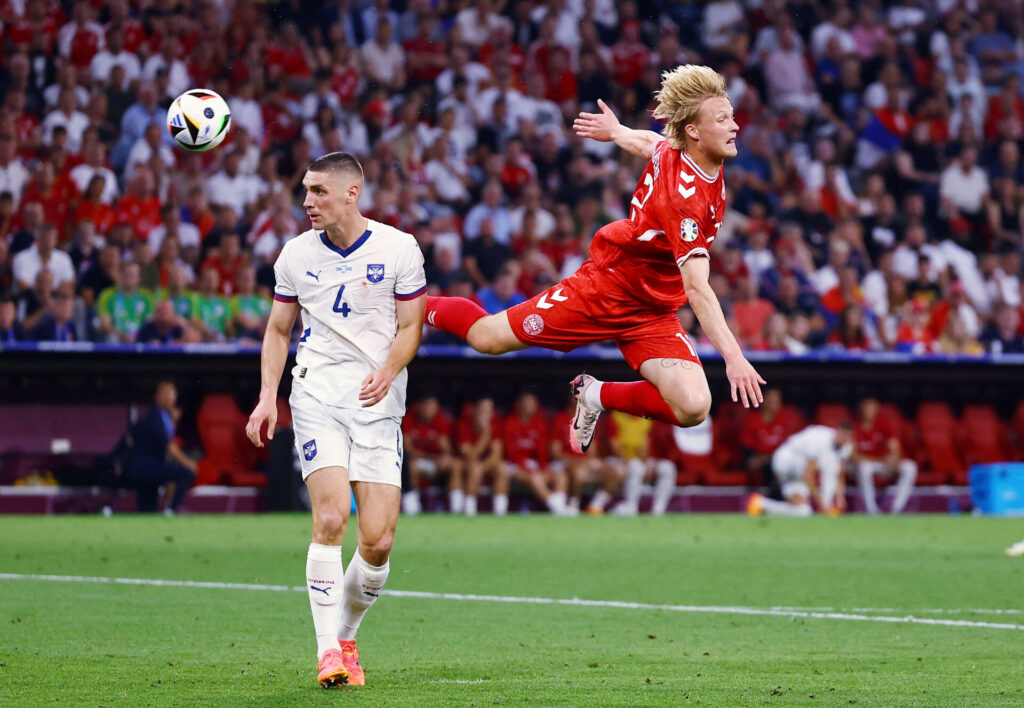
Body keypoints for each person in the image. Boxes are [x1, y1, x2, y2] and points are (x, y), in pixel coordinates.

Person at [424, 65, 765, 457]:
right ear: (694, 132)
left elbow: (651, 143)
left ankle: (595, 394)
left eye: (733, 116)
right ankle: (408, 302)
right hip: (605, 288)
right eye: (723, 119)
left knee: (692, 407)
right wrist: (734, 357)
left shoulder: (683, 153)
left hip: (651, 310)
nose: (735, 126)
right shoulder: (685, 201)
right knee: (485, 338)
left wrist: (617, 132)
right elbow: (698, 289)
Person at [245, 152, 426, 688]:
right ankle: (328, 652)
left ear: (352, 193)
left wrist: (389, 369)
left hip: (377, 403)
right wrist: (265, 397)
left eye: (319, 191)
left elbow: (412, 325)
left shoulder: (399, 248)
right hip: (317, 395)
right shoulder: (295, 255)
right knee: (329, 522)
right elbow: (279, 331)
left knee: (379, 541)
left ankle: (346, 634)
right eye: (305, 191)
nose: (307, 201)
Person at [747, 423, 854, 517]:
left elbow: (838, 473)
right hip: (788, 461)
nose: (844, 438)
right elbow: (807, 475)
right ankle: (761, 504)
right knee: (804, 510)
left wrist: (839, 498)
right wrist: (821, 503)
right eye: (843, 434)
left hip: (800, 466)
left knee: (803, 511)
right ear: (837, 431)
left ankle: (760, 504)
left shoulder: (846, 447)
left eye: (847, 436)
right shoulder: (820, 440)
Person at [127, 380, 197, 514]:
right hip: (146, 469)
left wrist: (174, 421)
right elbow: (168, 445)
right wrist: (188, 462)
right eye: (165, 393)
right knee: (186, 473)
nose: (169, 397)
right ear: (157, 396)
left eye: (171, 393)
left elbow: (166, 442)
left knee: (148, 512)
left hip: (149, 468)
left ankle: (168, 510)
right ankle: (171, 510)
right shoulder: (154, 416)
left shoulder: (165, 416)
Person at [401, 393, 464, 514]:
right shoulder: (409, 419)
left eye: (431, 405)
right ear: (419, 406)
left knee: (455, 465)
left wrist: (445, 456)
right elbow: (408, 450)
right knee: (410, 465)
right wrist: (431, 457)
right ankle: (412, 508)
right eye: (425, 405)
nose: (428, 409)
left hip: (436, 462)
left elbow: (446, 449)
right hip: (420, 462)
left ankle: (457, 509)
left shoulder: (441, 420)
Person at [852, 398, 917, 515]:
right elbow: (854, 456)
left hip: (883, 464)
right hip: (867, 464)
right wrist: (880, 460)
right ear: (861, 408)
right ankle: (871, 510)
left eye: (873, 408)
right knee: (864, 468)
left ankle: (897, 509)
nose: (870, 411)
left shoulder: (883, 423)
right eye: (867, 408)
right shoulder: (854, 425)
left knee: (910, 467)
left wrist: (894, 458)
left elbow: (894, 445)